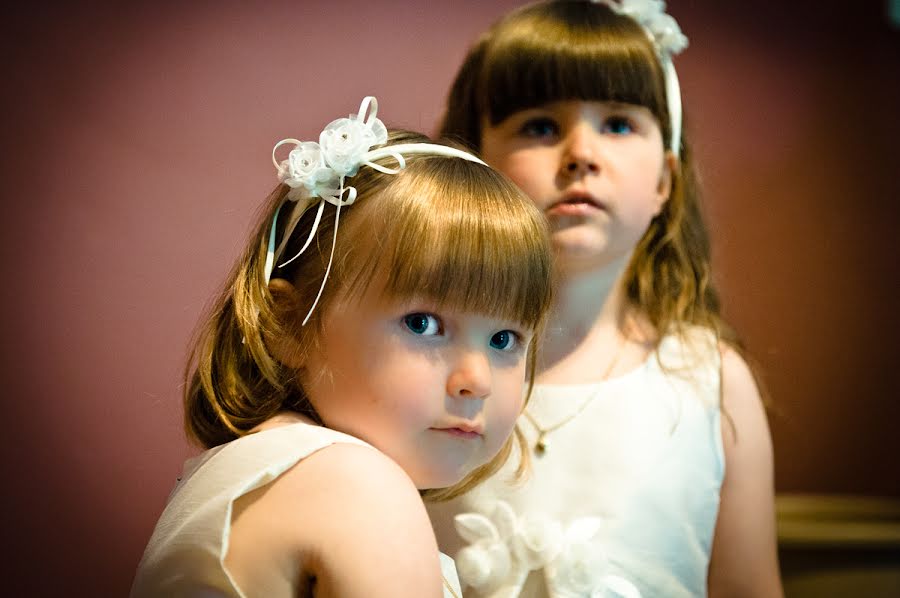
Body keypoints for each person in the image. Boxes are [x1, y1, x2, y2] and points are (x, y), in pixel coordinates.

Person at [426, 2, 783, 597]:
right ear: (477, 165)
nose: (580, 154)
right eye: (539, 126)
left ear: (665, 182)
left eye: (617, 124)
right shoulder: (422, 363)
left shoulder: (713, 384)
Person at [131, 96, 553, 598]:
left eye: (504, 339)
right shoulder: (358, 485)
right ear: (287, 325)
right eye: (422, 323)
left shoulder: (245, 473)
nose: (477, 380)